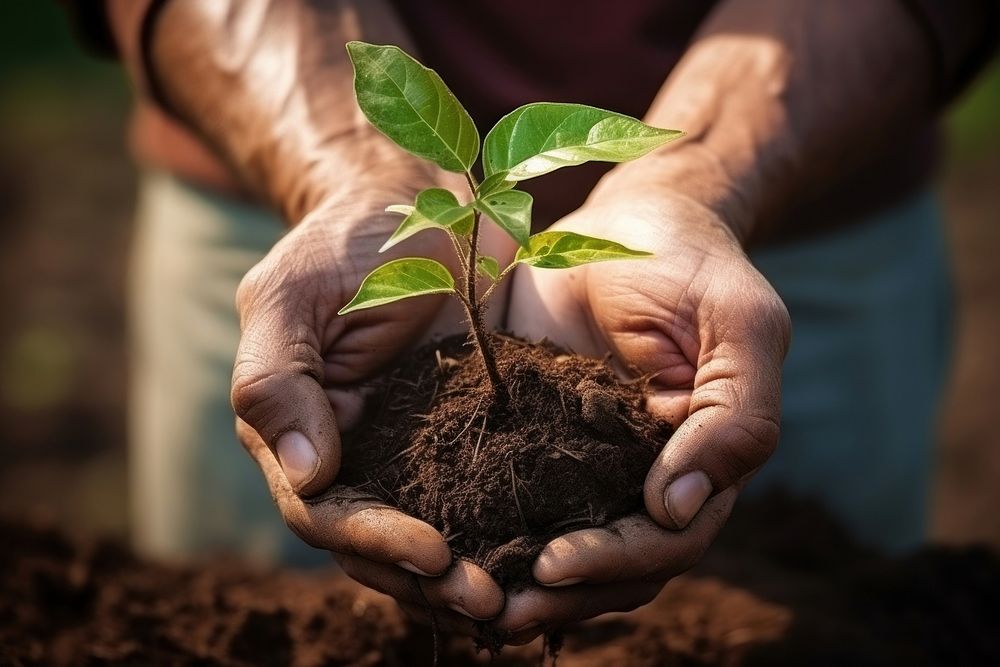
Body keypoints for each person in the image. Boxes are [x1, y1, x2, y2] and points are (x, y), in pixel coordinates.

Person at [70, 0, 997, 644]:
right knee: (242, 623)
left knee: (825, 623)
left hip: (806, 189)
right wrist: (352, 168)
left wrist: (691, 178)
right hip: (275, 184)